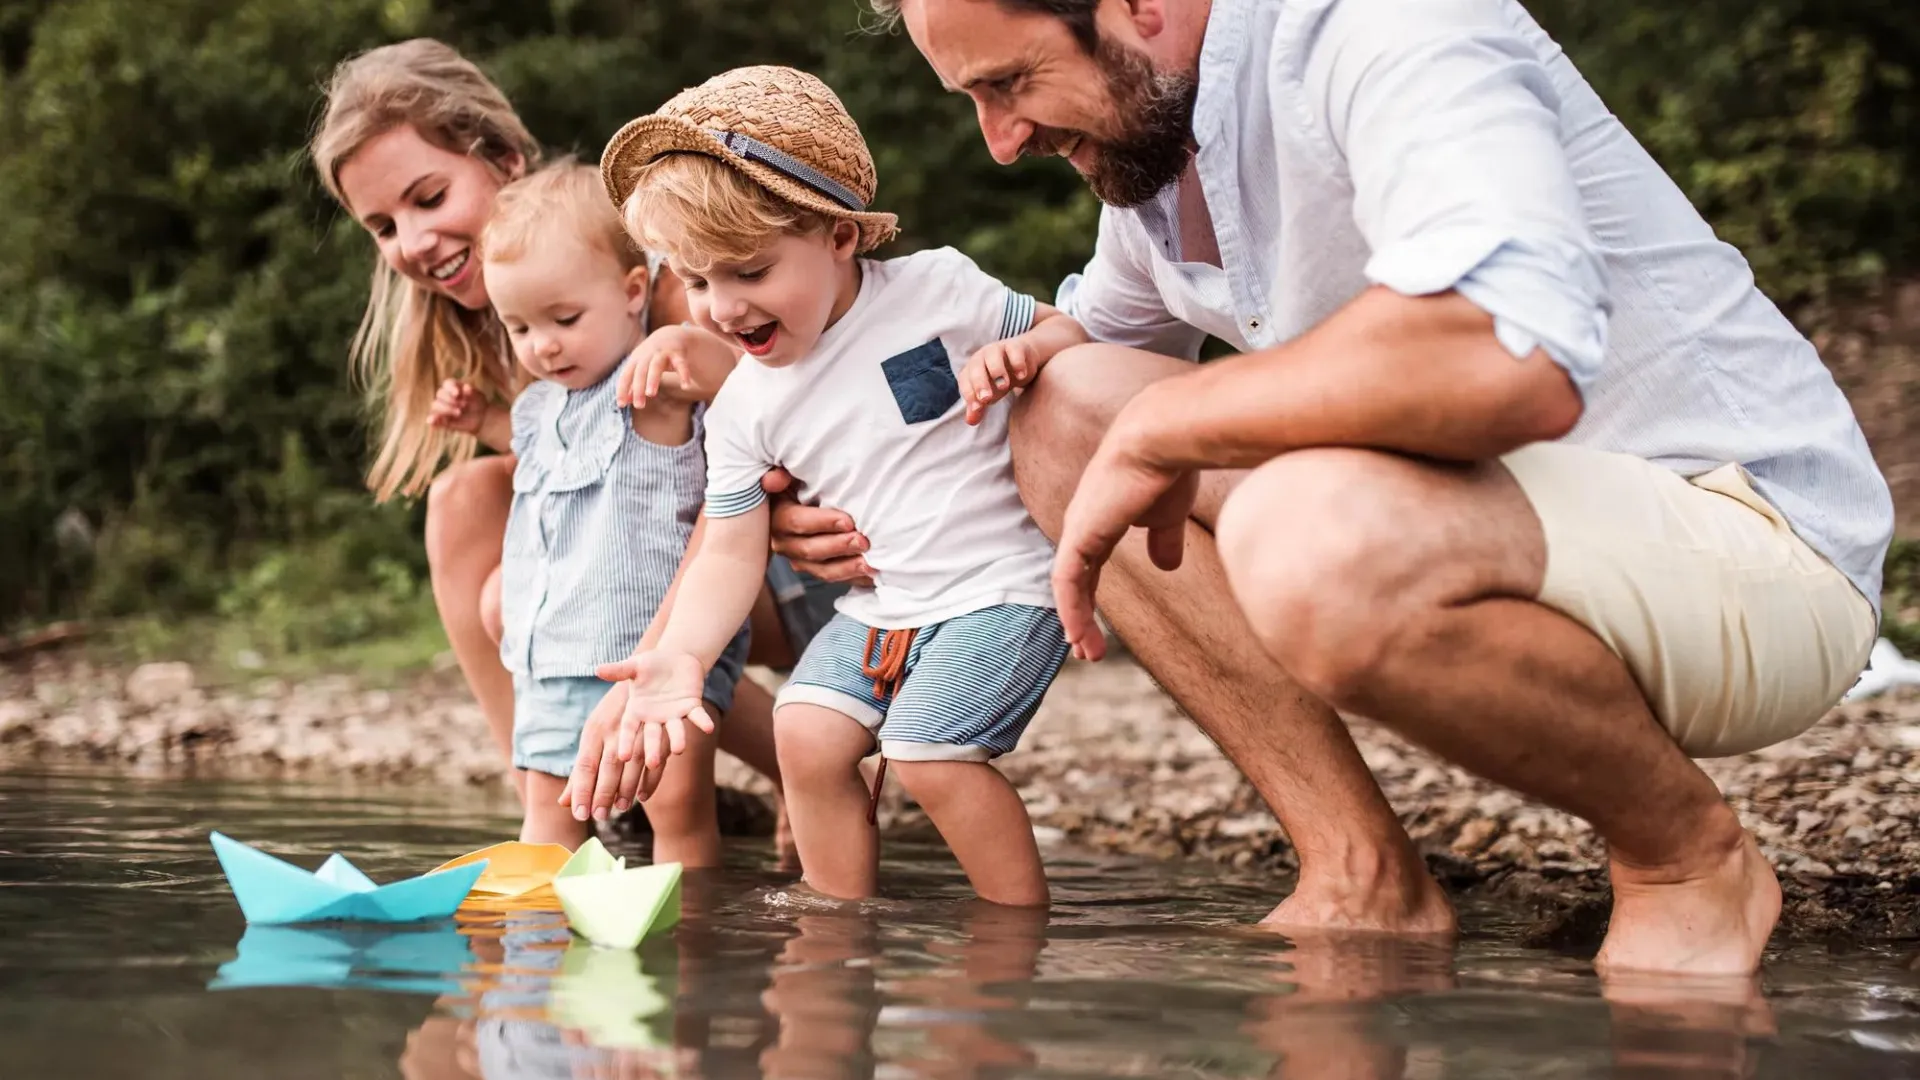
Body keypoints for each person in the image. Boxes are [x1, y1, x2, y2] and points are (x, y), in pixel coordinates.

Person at [840, 0, 1895, 976]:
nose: (1001, 139)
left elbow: (1503, 352)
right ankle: (1362, 874)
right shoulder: (1162, 136)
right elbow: (1081, 374)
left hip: (1753, 550)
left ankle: (1685, 860)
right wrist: (841, 505)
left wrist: (1174, 419)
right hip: (1507, 530)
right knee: (1065, 411)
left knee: (1308, 537)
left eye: (1010, 82)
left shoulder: (1384, 22)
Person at [567, 65, 1088, 907]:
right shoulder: (742, 405)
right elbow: (730, 552)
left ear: (839, 236)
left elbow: (1069, 332)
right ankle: (838, 923)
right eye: (697, 282)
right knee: (802, 733)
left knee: (927, 754)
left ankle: (1013, 933)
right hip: (884, 605)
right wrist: (683, 657)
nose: (724, 309)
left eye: (749, 271)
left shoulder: (937, 291)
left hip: (1001, 584)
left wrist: (1027, 353)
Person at [309, 39, 843, 826]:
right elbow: (581, 471)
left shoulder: (665, 285)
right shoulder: (518, 325)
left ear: (504, 157)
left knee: (569, 612)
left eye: (428, 197)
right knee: (468, 504)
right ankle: (554, 787)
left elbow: (735, 480)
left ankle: (730, 773)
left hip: (789, 559)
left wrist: (652, 668)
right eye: (382, 226)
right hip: (672, 570)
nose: (412, 241)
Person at [418, 159, 755, 857]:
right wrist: (484, 419)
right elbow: (539, 451)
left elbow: (742, 388)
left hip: (646, 657)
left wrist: (682, 341)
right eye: (518, 328)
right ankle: (535, 951)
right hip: (549, 657)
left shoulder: (653, 386)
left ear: (635, 292)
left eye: (564, 319)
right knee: (549, 816)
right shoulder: (541, 404)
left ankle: (693, 942)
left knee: (678, 818)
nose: (542, 345)